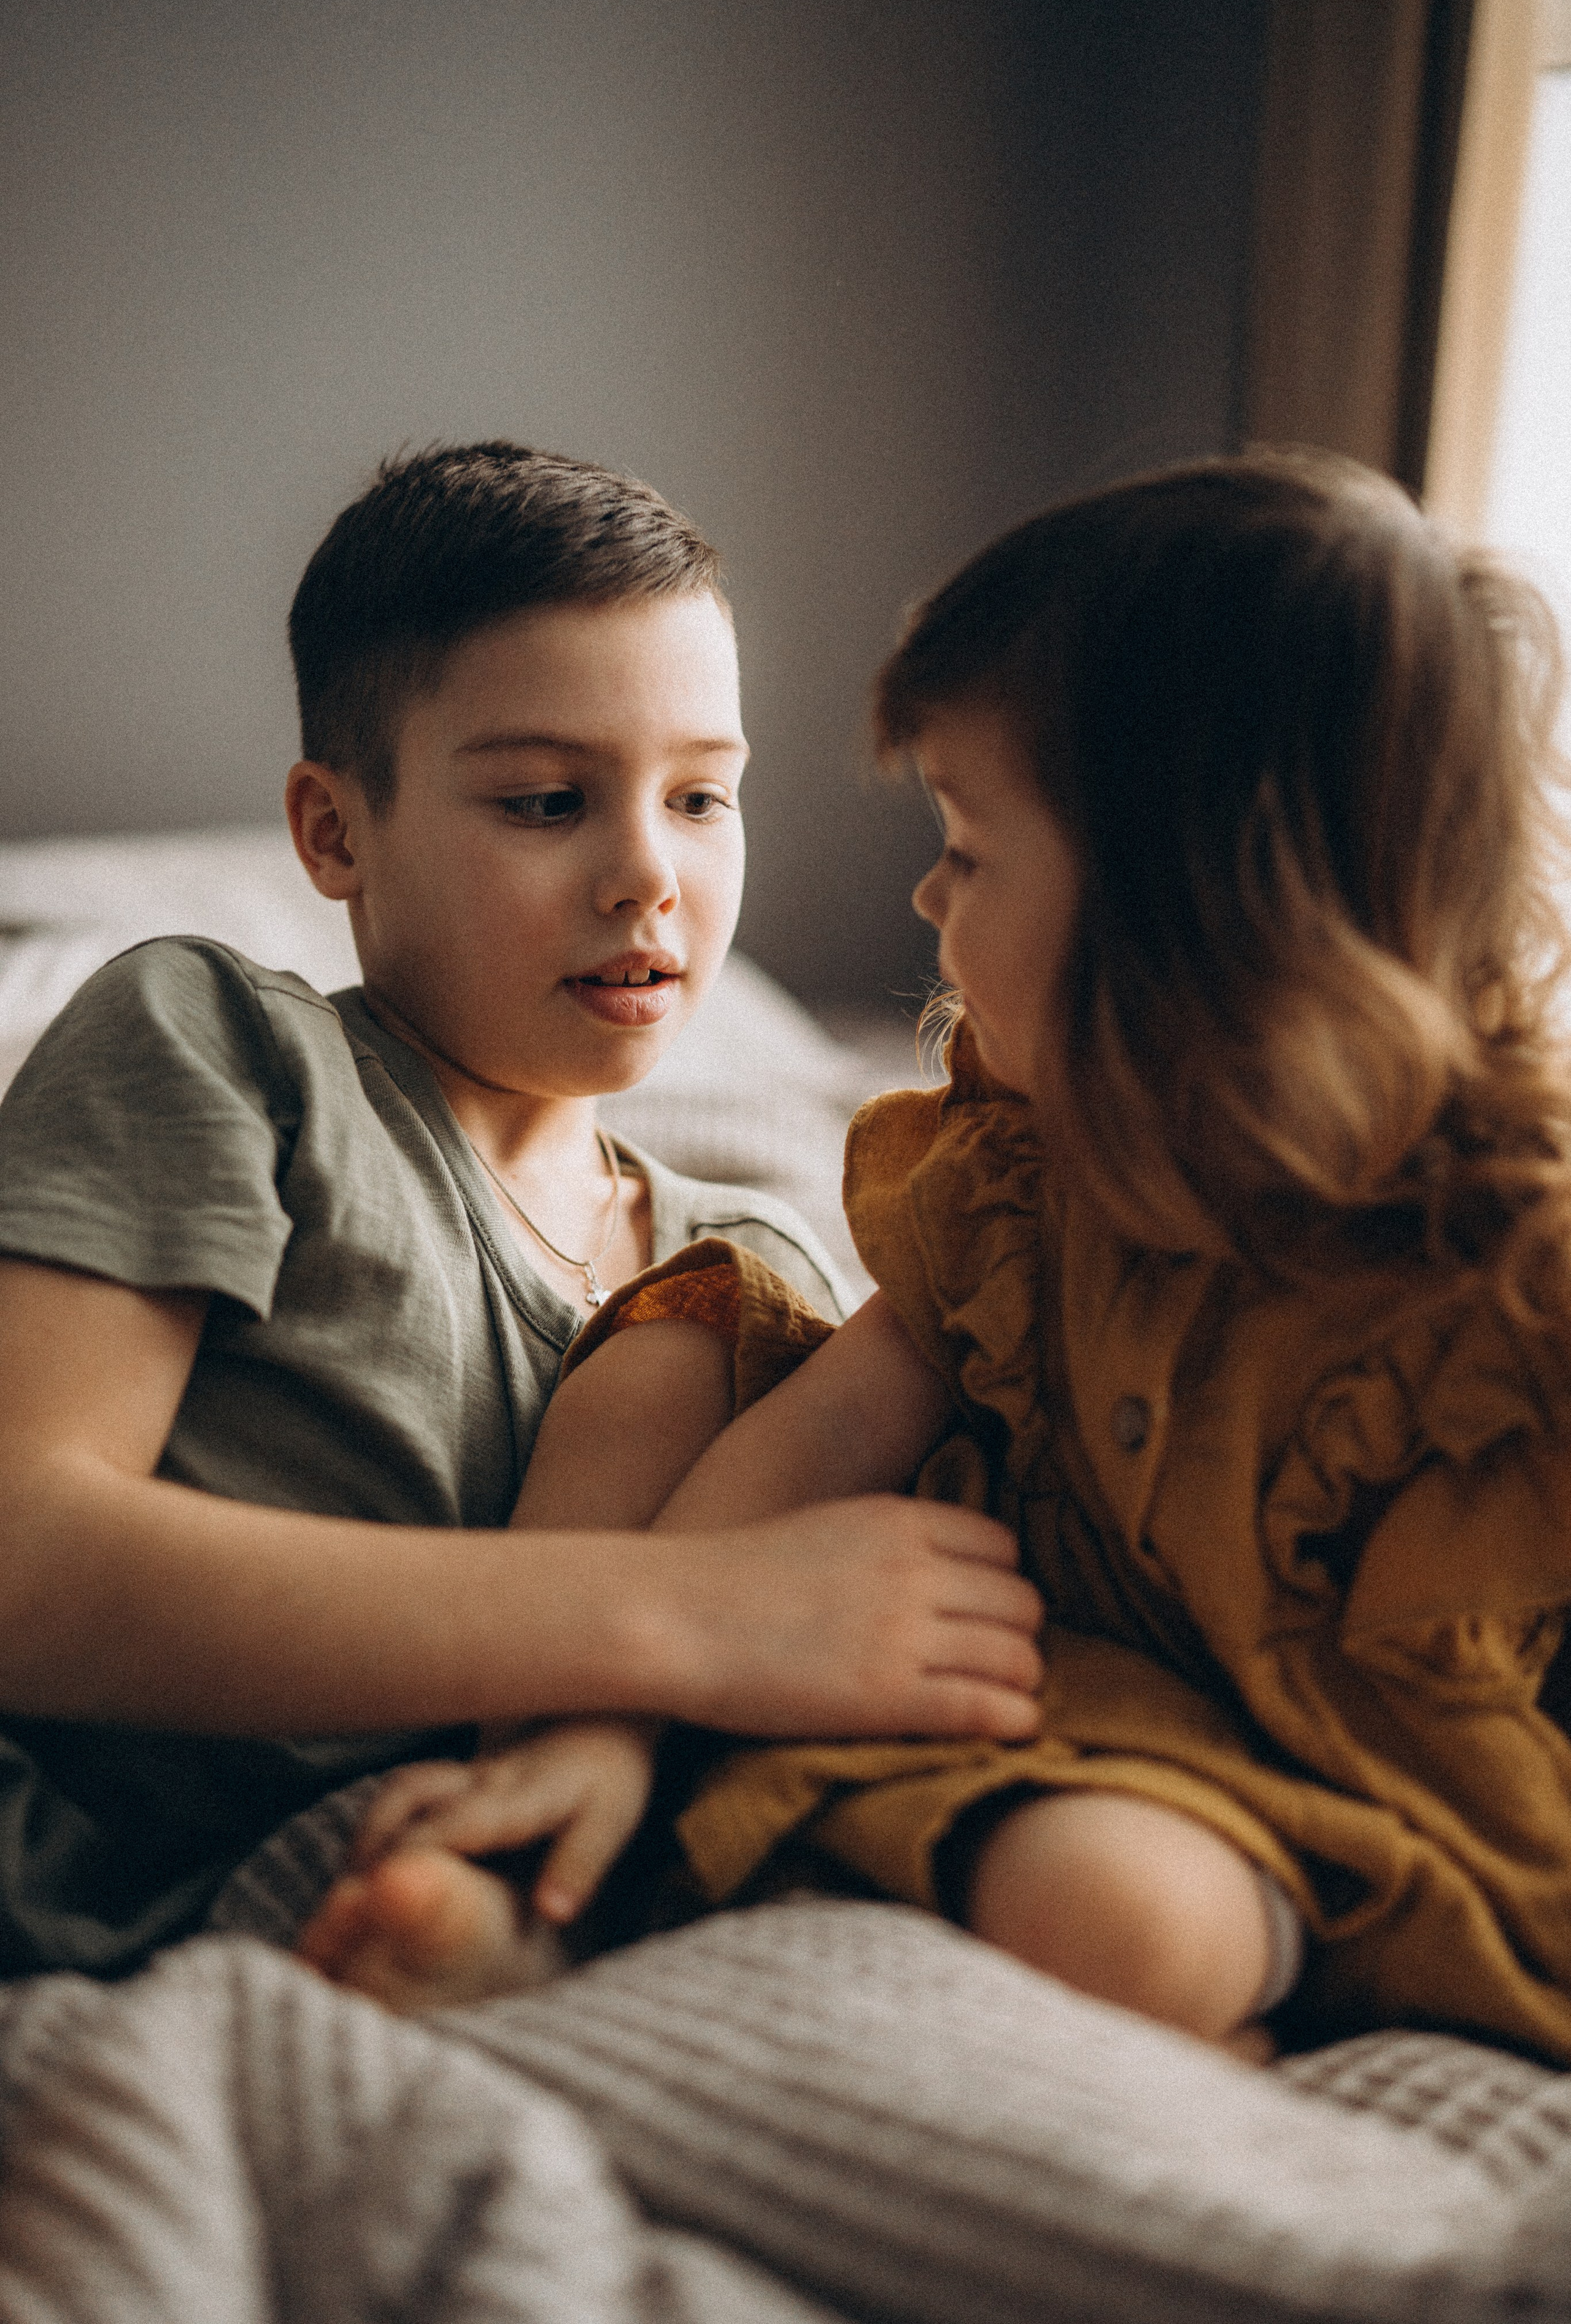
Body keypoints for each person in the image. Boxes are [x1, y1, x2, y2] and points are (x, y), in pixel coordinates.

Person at [301, 448, 1571, 2066]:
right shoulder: (1018, 1174)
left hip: (1281, 1787)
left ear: (1184, 915)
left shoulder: (1500, 1285)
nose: (924, 890)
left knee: (1115, 1917)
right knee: (683, 1339)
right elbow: (834, 1425)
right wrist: (619, 1716)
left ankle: (1182, 1996)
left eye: (968, 852)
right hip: (958, 1643)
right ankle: (550, 1833)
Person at [0, 441, 1045, 1980]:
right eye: (549, 800)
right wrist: (683, 1613)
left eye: (700, 796)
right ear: (334, 833)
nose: (647, 873)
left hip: (478, 1894)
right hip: (80, 1894)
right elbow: (27, 1563)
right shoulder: (221, 1045)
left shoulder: (738, 1267)